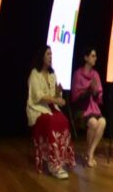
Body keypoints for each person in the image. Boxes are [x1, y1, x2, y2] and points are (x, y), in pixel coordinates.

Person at [27, 46, 76, 178]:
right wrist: (56, 99)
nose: (51, 57)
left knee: (64, 120)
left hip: (50, 107)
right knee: (52, 121)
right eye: (48, 54)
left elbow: (53, 95)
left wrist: (59, 93)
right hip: (38, 108)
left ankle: (62, 159)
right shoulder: (34, 74)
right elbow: (38, 96)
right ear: (41, 56)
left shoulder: (52, 74)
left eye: (51, 54)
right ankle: (54, 165)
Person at [71, 47, 105, 168]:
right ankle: (89, 155)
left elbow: (99, 96)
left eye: (95, 56)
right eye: (92, 56)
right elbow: (75, 97)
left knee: (102, 122)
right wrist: (88, 89)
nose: (95, 58)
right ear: (86, 58)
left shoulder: (95, 74)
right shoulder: (77, 74)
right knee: (93, 123)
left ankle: (90, 153)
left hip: (93, 108)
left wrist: (95, 92)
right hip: (82, 109)